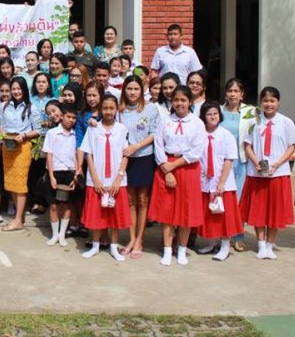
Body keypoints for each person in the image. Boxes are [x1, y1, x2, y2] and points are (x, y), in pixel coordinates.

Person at [148, 86, 205, 266]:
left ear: (190, 102)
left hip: (187, 167)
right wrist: (167, 169)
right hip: (166, 166)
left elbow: (196, 151)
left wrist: (174, 166)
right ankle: (167, 249)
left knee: (185, 212)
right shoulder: (165, 121)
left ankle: (181, 249)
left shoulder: (197, 123)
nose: (179, 103)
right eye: (176, 100)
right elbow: (158, 145)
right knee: (167, 212)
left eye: (183, 100)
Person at [241, 86, 295, 260]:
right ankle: (260, 244)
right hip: (257, 173)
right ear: (260, 102)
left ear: (278, 102)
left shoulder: (286, 122)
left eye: (272, 101)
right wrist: (255, 162)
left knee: (275, 210)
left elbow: (292, 146)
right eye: (265, 101)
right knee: (259, 209)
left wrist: (278, 163)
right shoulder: (254, 122)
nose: (269, 104)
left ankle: (269, 245)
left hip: (278, 172)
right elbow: (247, 145)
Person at [79, 94, 130, 261]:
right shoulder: (93, 129)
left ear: (116, 109)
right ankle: (95, 246)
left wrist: (118, 178)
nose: (108, 111)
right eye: (105, 108)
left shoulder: (122, 129)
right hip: (97, 179)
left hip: (116, 180)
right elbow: (88, 154)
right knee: (97, 214)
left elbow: (125, 155)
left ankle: (114, 247)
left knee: (114, 215)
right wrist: (95, 178)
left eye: (111, 108)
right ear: (100, 109)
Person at [118, 75, 160, 258]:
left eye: (136, 89)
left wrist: (136, 146)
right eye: (129, 89)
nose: (133, 92)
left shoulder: (150, 109)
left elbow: (155, 133)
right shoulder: (119, 110)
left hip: (144, 157)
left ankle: (140, 239)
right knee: (130, 201)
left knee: (143, 200)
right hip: (126, 159)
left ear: (142, 90)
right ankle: (131, 237)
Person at [196, 101, 243, 262]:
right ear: (203, 116)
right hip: (205, 181)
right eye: (209, 114)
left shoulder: (226, 135)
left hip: (223, 182)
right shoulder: (200, 134)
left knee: (224, 215)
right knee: (208, 214)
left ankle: (225, 246)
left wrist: (221, 182)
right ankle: (211, 243)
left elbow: (229, 160)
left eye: (215, 113)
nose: (212, 117)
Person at [220, 77, 257, 252]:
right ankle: (222, 235)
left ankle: (238, 235)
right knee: (223, 200)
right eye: (230, 91)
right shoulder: (219, 111)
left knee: (238, 200)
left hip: (241, 162)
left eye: (236, 91)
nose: (232, 94)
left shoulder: (250, 112)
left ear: (242, 94)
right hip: (222, 163)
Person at [0, 76, 41, 231]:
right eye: (14, 89)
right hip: (8, 146)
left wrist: (24, 135)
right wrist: (3, 133)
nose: (16, 91)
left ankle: (17, 220)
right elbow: (1, 125)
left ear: (24, 90)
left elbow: (38, 130)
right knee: (11, 182)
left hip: (23, 146)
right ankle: (20, 216)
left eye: (19, 89)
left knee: (20, 183)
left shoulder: (31, 107)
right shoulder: (5, 106)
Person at [43, 103, 80, 247]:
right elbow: (49, 155)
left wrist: (76, 174)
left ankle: (62, 234)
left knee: (67, 204)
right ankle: (54, 235)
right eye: (68, 117)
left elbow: (76, 155)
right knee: (53, 205)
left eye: (74, 118)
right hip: (55, 172)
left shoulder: (76, 134)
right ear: (62, 116)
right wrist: (51, 176)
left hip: (69, 172)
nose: (71, 120)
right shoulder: (52, 133)